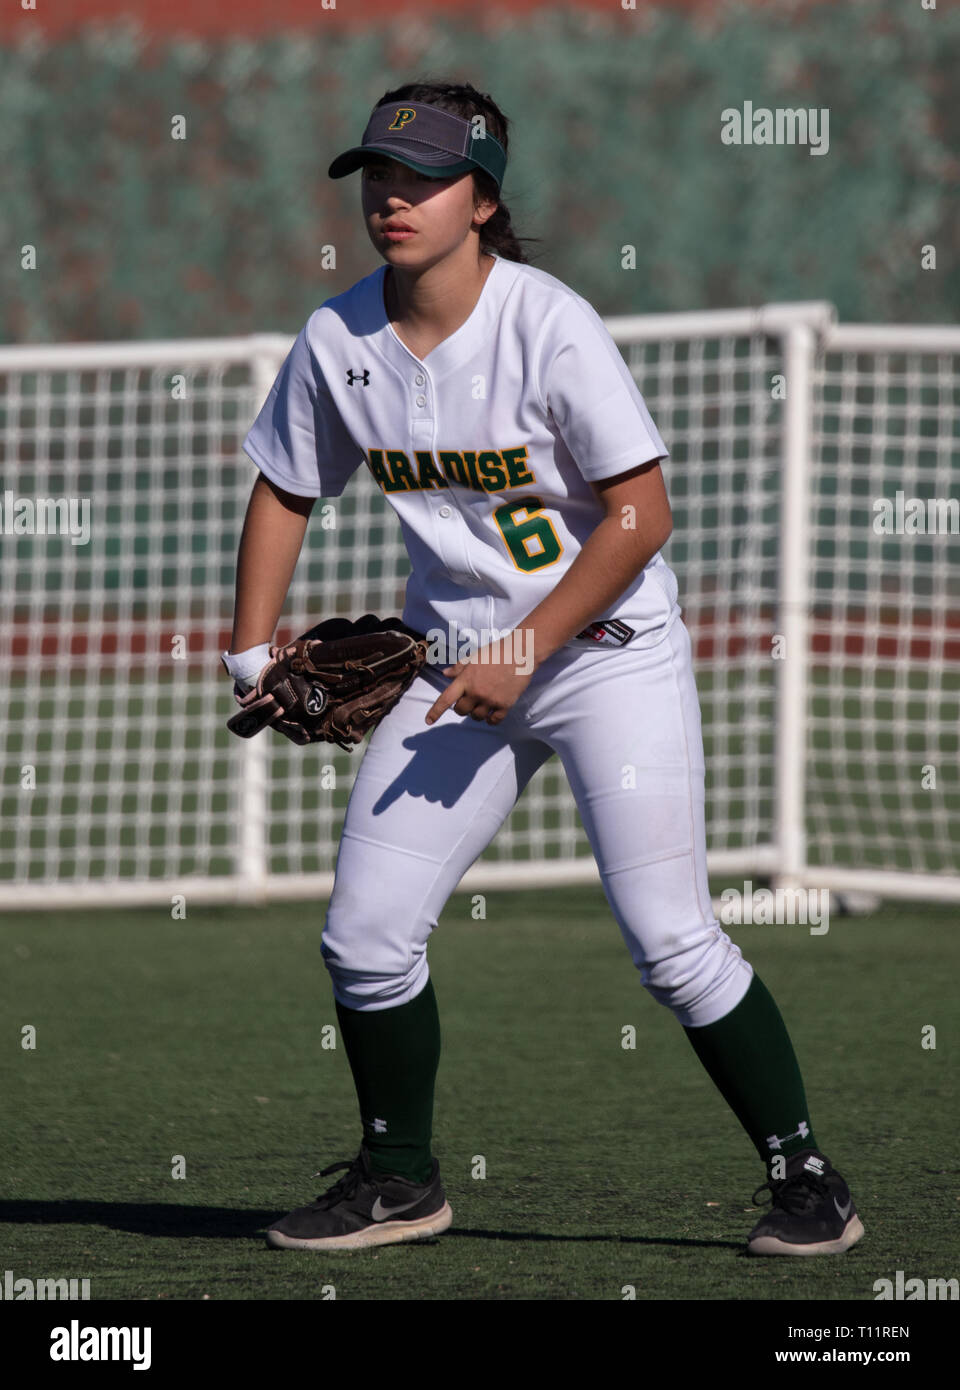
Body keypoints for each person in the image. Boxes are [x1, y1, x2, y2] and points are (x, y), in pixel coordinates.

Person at [222, 79, 863, 1259]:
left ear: (484, 200)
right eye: (378, 173)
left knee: (670, 938)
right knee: (365, 933)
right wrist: (254, 648)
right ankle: (402, 1180)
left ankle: (806, 1174)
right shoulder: (338, 337)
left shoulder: (547, 323)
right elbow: (286, 485)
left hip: (606, 655)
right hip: (455, 665)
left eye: (423, 177)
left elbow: (641, 512)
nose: (394, 197)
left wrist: (528, 646)